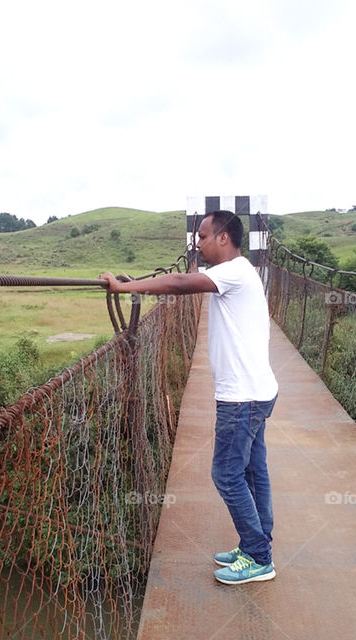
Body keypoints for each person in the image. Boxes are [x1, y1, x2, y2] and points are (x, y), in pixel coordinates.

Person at [100, 210, 279, 585]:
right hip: (257, 392)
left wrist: (124, 288)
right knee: (252, 471)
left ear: (223, 238)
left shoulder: (231, 272)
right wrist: (140, 284)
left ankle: (259, 556)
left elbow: (181, 282)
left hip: (242, 398)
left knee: (227, 474)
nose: (196, 243)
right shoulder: (244, 270)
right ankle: (257, 546)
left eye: (202, 236)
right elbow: (183, 279)